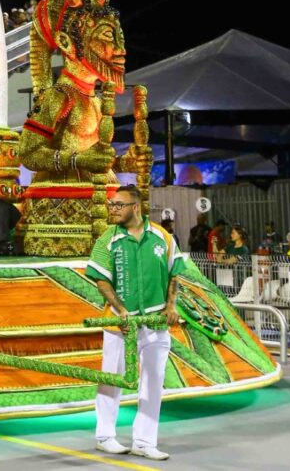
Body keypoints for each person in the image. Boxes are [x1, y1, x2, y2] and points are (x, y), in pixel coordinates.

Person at [86, 185, 183, 461]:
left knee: (154, 381)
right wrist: (121, 310)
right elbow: (101, 279)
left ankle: (144, 441)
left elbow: (175, 272)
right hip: (120, 324)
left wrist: (172, 306)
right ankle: (105, 436)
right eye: (111, 204)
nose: (113, 209)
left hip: (155, 321)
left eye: (119, 204)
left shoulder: (162, 237)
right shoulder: (108, 239)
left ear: (136, 207)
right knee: (111, 378)